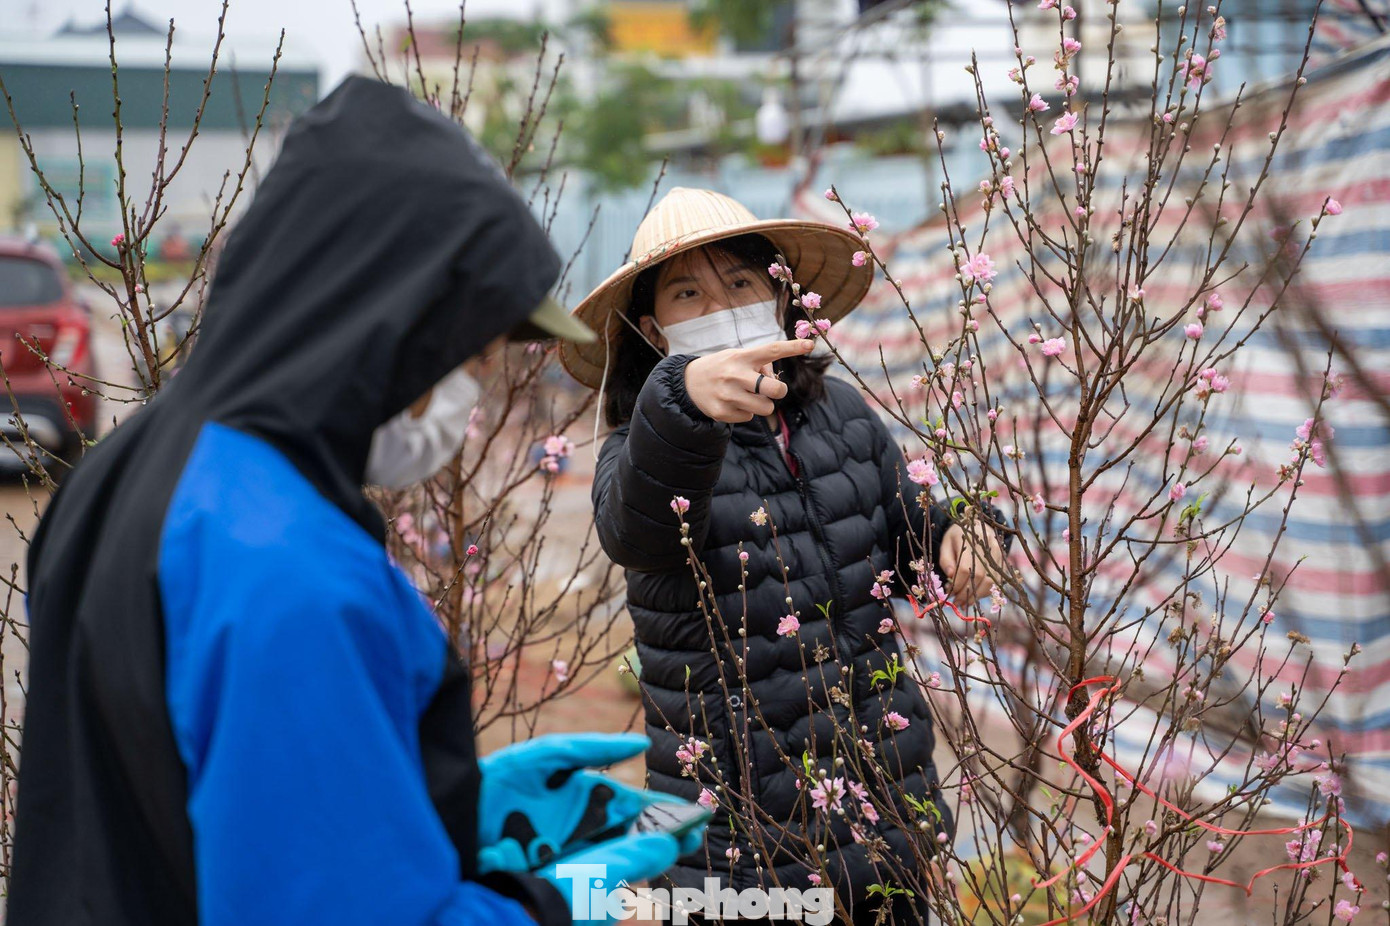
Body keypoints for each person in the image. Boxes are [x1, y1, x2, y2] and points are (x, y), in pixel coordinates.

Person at [8, 77, 698, 926]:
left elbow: (190, 794)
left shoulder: (123, 474)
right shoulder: (290, 568)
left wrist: (419, 798)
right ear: (393, 325)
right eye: (475, 359)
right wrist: (549, 909)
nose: (473, 395)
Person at [559, 188, 1011, 924]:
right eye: (686, 292)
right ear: (651, 329)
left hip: (886, 796)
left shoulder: (840, 416)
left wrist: (968, 526)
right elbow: (637, 530)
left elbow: (909, 533)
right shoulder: (642, 453)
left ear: (777, 293)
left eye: (739, 282)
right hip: (743, 829)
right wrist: (680, 401)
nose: (719, 302)